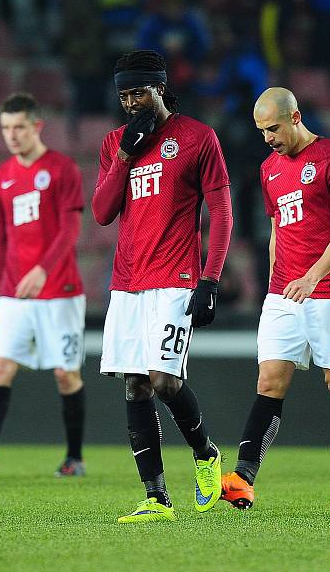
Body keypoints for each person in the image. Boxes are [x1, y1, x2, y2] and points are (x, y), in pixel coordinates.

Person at [92, 50, 233, 523]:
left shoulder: (197, 138)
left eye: (140, 92)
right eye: (125, 95)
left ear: (161, 89)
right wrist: (126, 157)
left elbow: (222, 212)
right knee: (134, 386)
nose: (132, 102)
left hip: (175, 278)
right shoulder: (115, 142)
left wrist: (211, 278)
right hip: (127, 281)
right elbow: (102, 212)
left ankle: (206, 453)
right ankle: (156, 499)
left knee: (164, 381)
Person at [221, 87, 330, 511]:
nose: (267, 138)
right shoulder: (269, 170)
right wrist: (274, 283)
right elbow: (277, 232)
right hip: (284, 293)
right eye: (261, 131)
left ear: (296, 116)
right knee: (269, 382)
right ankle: (243, 478)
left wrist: (311, 276)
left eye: (273, 128)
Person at [0, 93, 86, 478]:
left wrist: (43, 269)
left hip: (59, 291)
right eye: (5, 128)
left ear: (37, 126)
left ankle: (74, 458)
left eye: (19, 127)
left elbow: (70, 229)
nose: (11, 135)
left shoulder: (62, 170)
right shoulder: (1, 176)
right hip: (12, 293)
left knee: (66, 374)